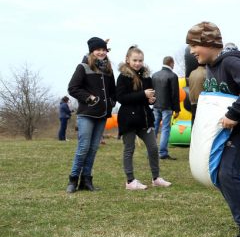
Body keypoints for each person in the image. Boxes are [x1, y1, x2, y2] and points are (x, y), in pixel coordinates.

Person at [186, 22, 240, 237]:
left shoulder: (229, 62)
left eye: (194, 45)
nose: (192, 51)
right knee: (219, 174)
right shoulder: (210, 66)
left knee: (227, 174)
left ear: (208, 43)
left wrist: (234, 114)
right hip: (222, 131)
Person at [115, 45, 171, 190]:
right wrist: (143, 95)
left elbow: (150, 96)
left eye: (140, 60)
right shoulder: (122, 77)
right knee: (129, 149)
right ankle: (130, 181)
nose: (138, 63)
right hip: (128, 120)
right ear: (127, 60)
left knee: (153, 148)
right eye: (135, 60)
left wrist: (151, 99)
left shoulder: (147, 77)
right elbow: (121, 98)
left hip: (145, 118)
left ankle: (156, 178)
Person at [66, 37, 117, 193]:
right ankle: (73, 180)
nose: (101, 52)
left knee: (94, 148)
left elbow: (113, 90)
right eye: (98, 50)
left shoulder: (108, 69)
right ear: (92, 51)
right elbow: (72, 88)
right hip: (86, 114)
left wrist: (111, 101)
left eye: (103, 49)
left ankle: (86, 180)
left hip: (102, 115)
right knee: (83, 147)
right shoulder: (83, 67)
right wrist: (89, 98)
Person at [151, 56, 180, 160]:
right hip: (167, 107)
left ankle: (151, 152)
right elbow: (175, 94)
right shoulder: (173, 76)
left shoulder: (154, 75)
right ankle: (162, 153)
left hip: (155, 106)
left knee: (153, 128)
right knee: (165, 129)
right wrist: (177, 109)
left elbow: (152, 91)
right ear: (171, 63)